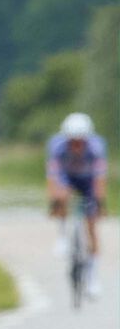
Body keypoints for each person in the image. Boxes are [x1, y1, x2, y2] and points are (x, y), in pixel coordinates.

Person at [48, 112, 109, 293]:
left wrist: (99, 202)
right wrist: (55, 201)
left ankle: (93, 277)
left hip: (88, 181)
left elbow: (100, 180)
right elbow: (52, 177)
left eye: (80, 142)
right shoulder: (57, 147)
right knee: (61, 197)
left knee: (92, 226)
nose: (76, 146)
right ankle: (62, 237)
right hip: (68, 178)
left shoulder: (96, 148)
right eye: (72, 142)